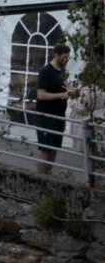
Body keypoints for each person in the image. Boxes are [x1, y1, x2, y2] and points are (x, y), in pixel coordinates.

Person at [35, 43, 75, 174]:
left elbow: (69, 87)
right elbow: (41, 95)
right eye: (65, 57)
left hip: (59, 115)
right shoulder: (46, 71)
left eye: (68, 57)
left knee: (54, 148)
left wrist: (76, 90)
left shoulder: (62, 71)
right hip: (46, 115)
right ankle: (41, 178)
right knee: (45, 148)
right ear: (56, 55)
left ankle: (48, 176)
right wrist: (63, 95)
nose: (67, 60)